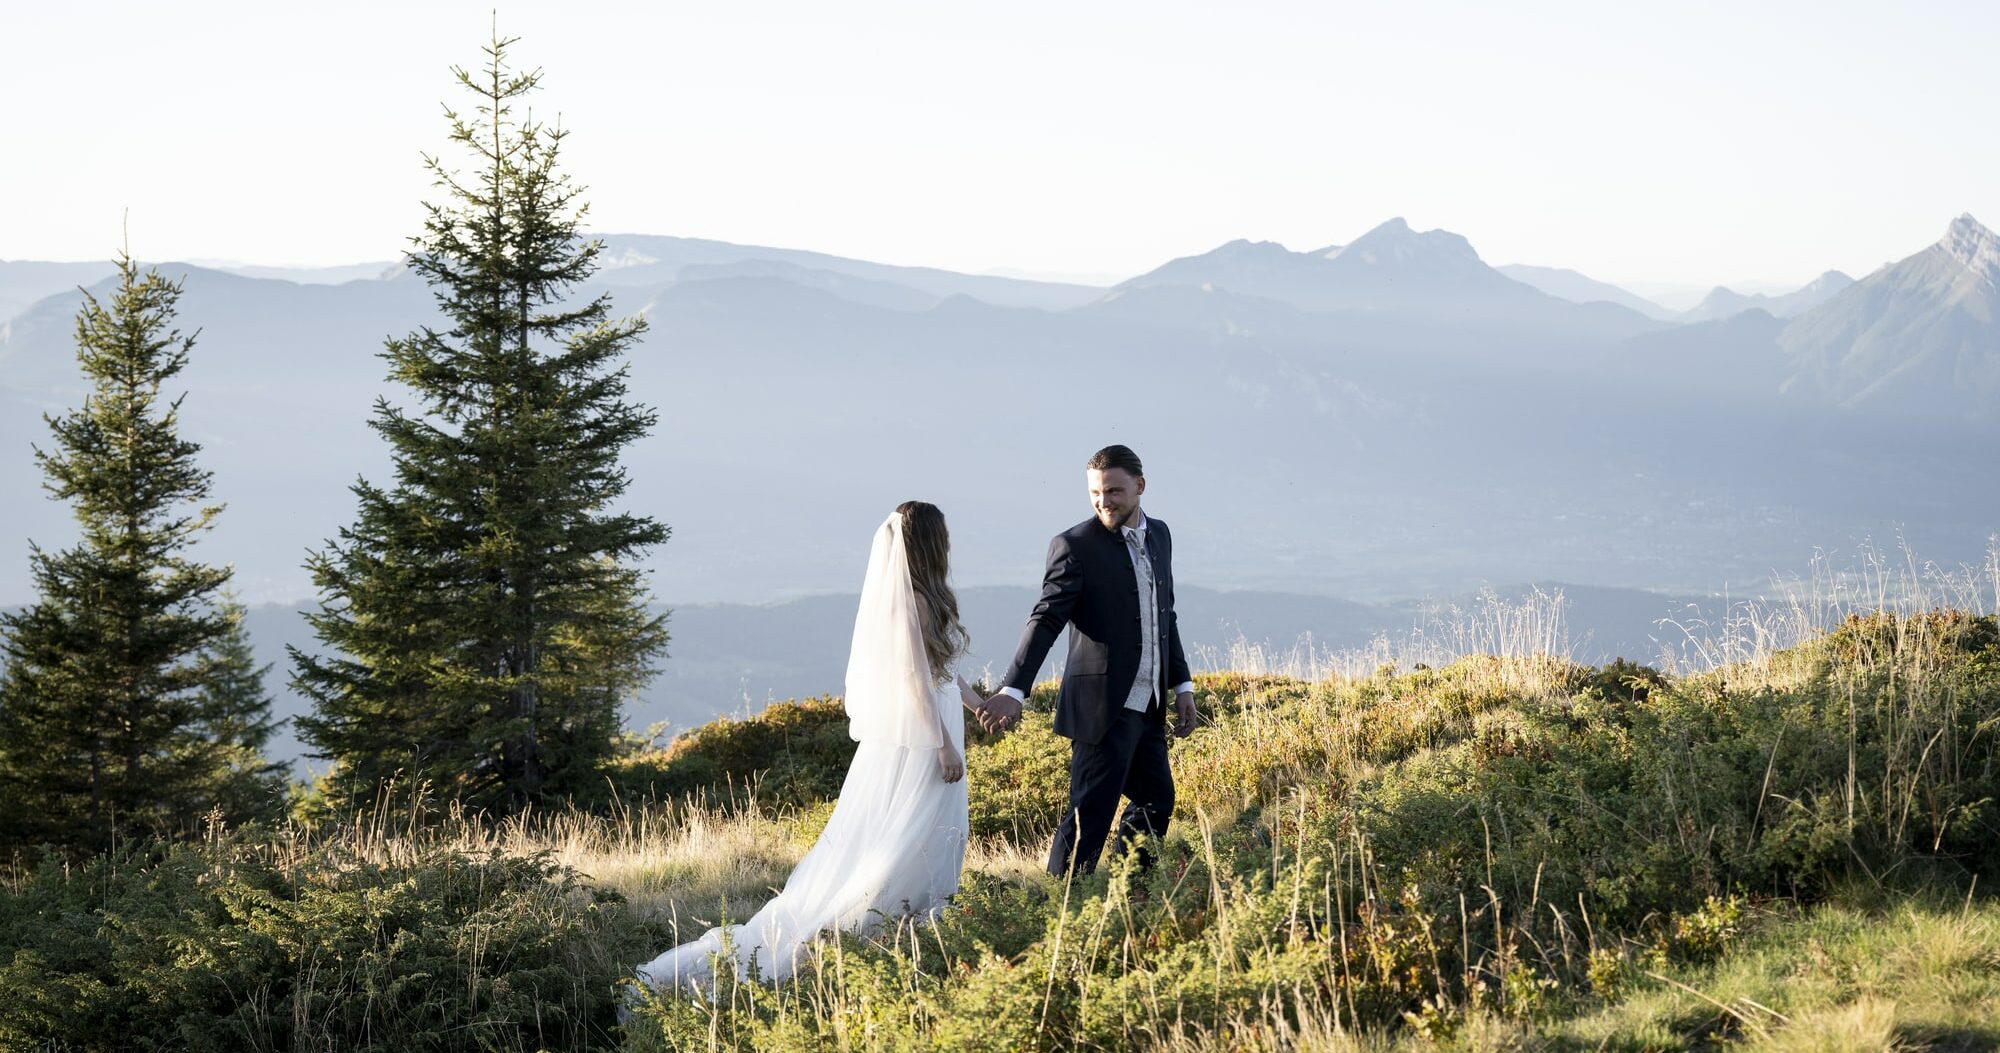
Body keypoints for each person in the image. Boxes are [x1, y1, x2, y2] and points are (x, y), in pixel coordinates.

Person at [634, 501, 983, 992]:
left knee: (927, 828)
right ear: (929, 540)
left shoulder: (925, 597)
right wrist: (944, 745)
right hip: (920, 738)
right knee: (907, 834)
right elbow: (914, 678)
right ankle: (878, 925)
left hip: (934, 722)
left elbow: (943, 672)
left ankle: (917, 928)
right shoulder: (913, 603)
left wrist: (975, 704)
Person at [976, 445, 1197, 876]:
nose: (1103, 501)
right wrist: (1012, 690)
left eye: (1113, 491)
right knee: (1089, 816)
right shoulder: (1074, 546)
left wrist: (1181, 686)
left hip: (1148, 705)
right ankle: (1064, 903)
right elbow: (1045, 620)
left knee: (1157, 800)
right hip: (1100, 708)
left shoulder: (1161, 535)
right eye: (1095, 492)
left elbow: (1164, 614)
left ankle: (1130, 887)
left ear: (1140, 486)